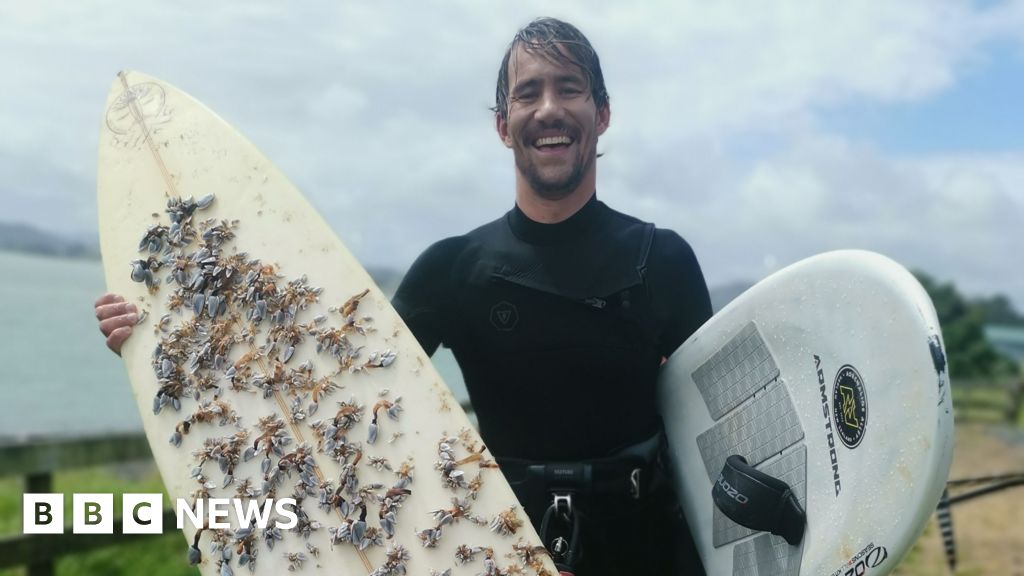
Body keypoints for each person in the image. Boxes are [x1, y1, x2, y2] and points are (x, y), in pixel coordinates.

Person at [96, 17, 711, 575]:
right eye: (528, 92)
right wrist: (166, 334)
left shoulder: (663, 263)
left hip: (650, 554)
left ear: (601, 113)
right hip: (499, 553)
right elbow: (326, 386)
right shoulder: (454, 269)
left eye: (570, 87)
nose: (549, 108)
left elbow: (723, 434)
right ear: (503, 125)